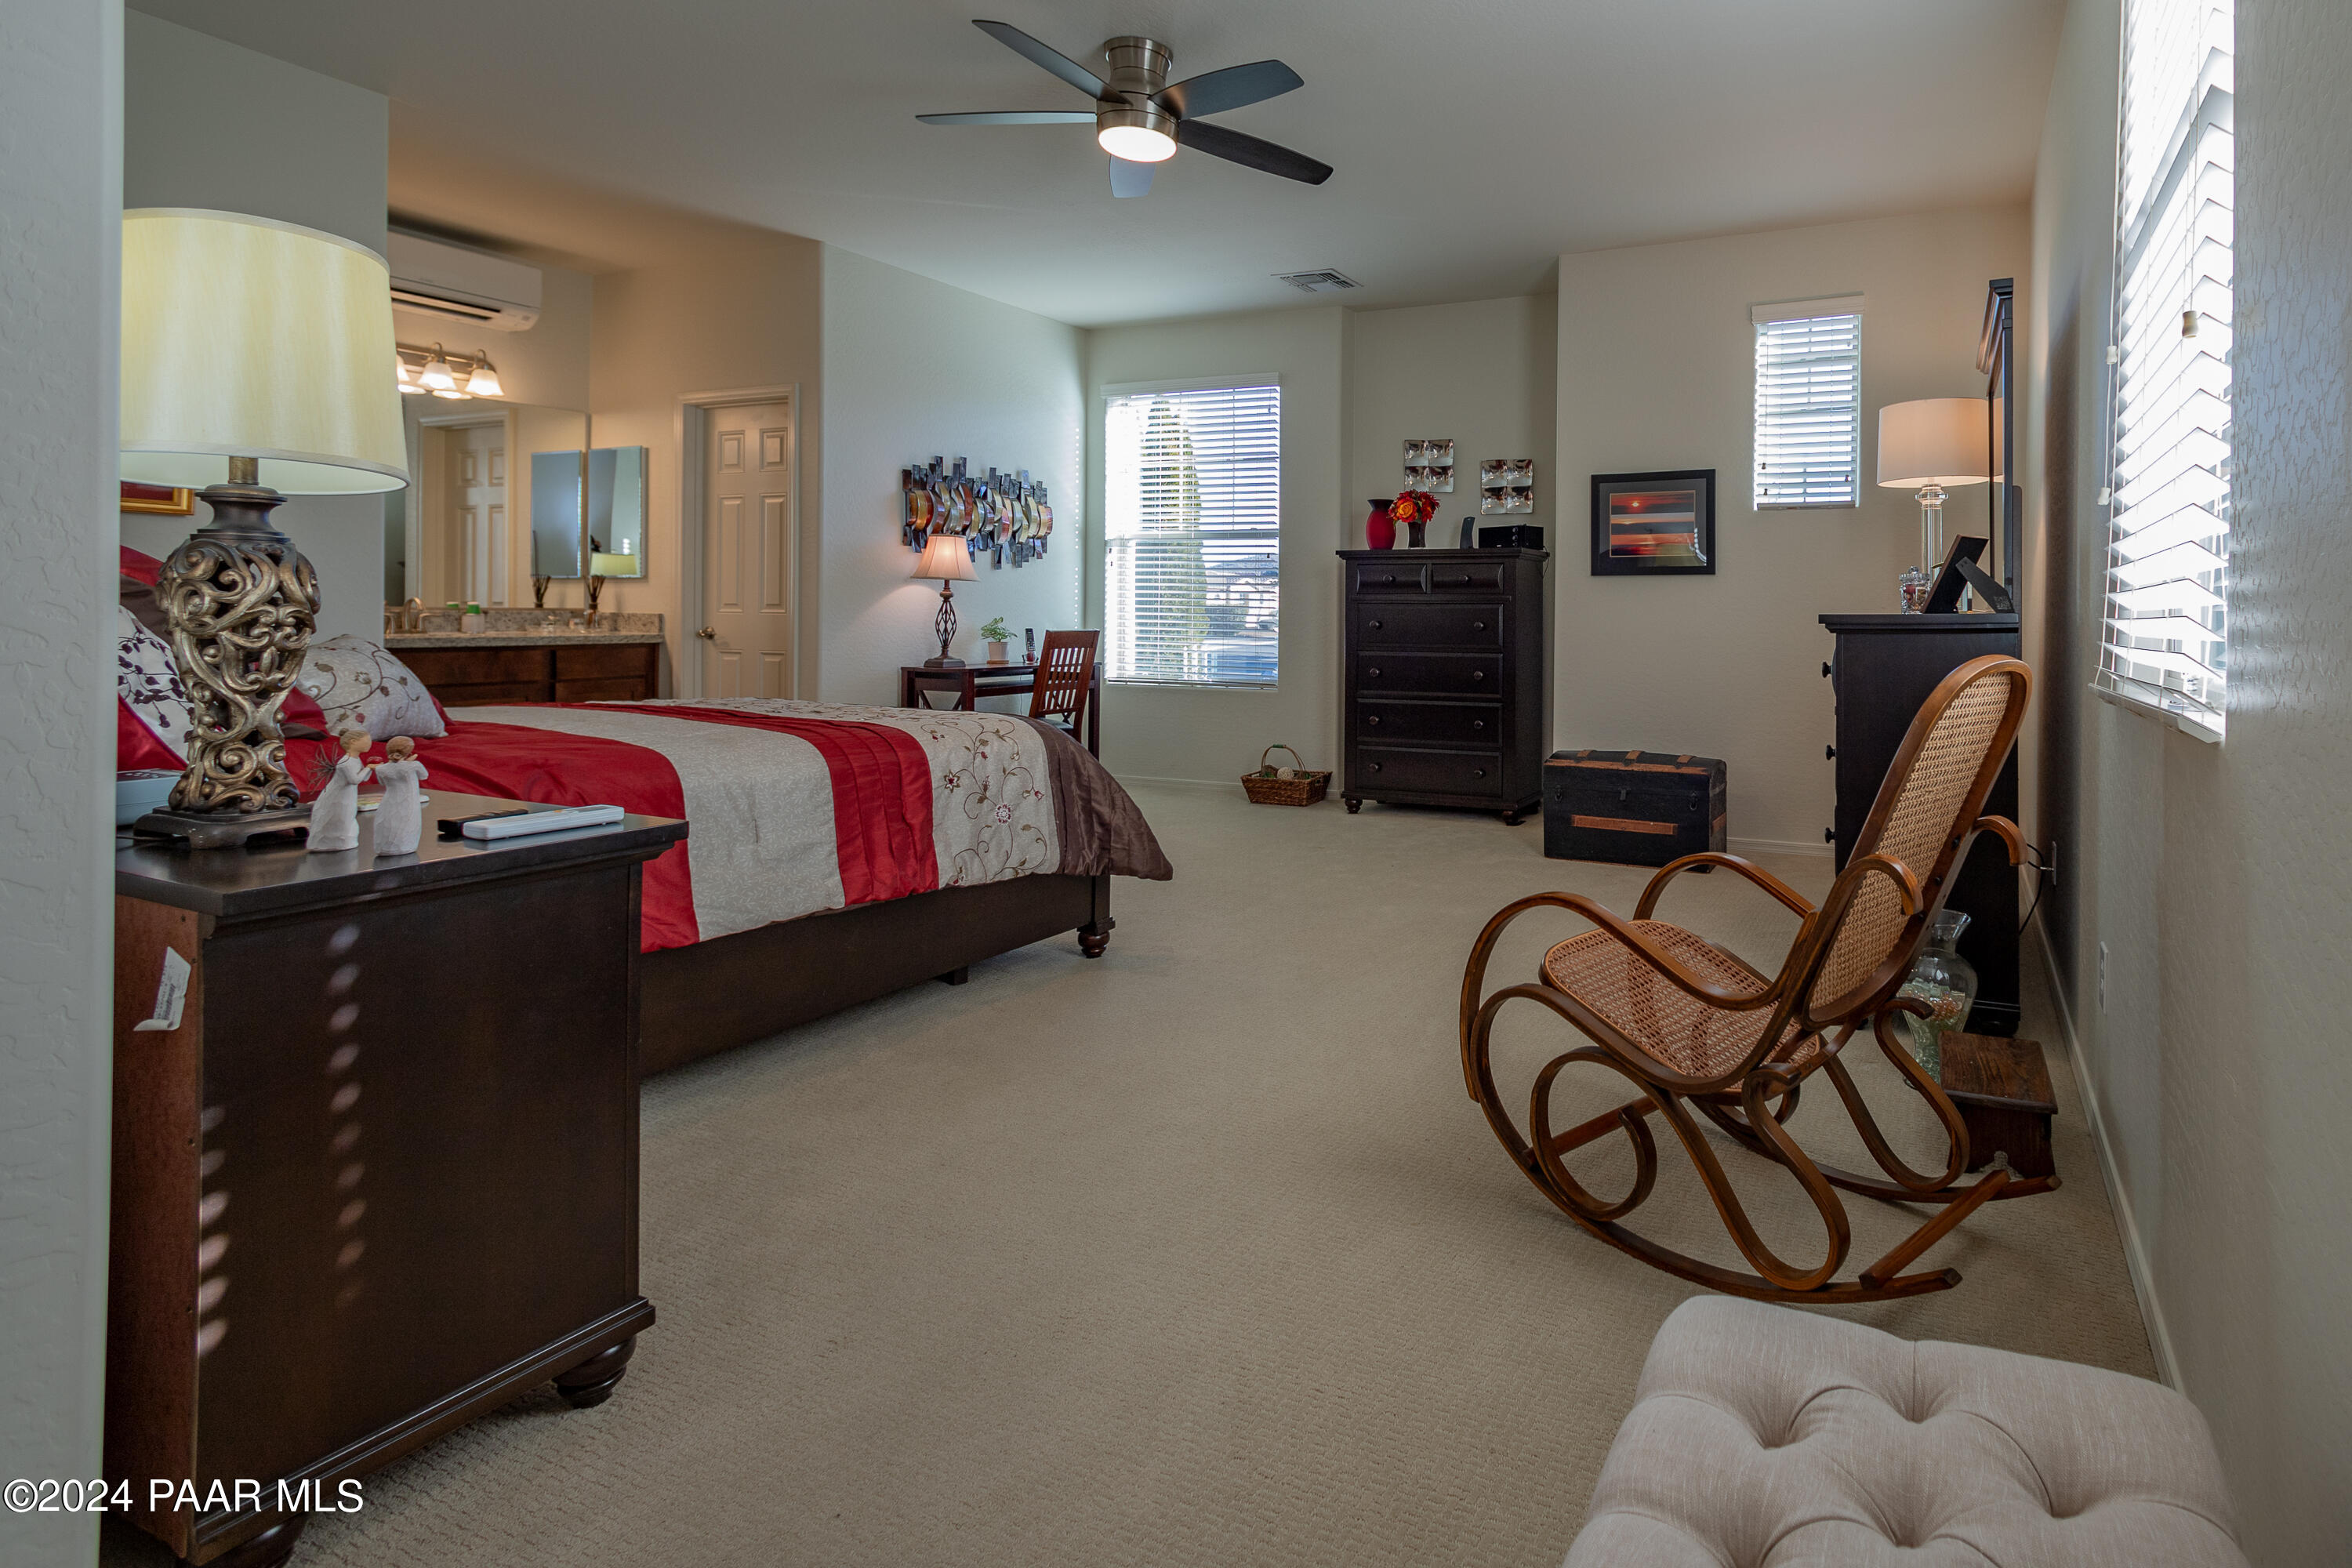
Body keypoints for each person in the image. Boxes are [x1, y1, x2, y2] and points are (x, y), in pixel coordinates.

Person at [307, 728, 372, 852]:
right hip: (338, 796)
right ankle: (329, 843)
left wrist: (370, 769)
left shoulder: (356, 759)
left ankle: (344, 841)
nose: (369, 744)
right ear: (353, 742)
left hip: (348, 795)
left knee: (347, 817)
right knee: (339, 817)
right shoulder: (345, 763)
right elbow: (354, 780)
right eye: (366, 741)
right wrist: (368, 768)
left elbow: (364, 778)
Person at [372, 735, 430, 857]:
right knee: (407, 823)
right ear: (408, 752)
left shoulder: (381, 769)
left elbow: (382, 783)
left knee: (387, 822)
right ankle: (405, 845)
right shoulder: (414, 765)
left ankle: (385, 846)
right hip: (408, 800)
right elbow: (424, 776)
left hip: (389, 800)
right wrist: (409, 762)